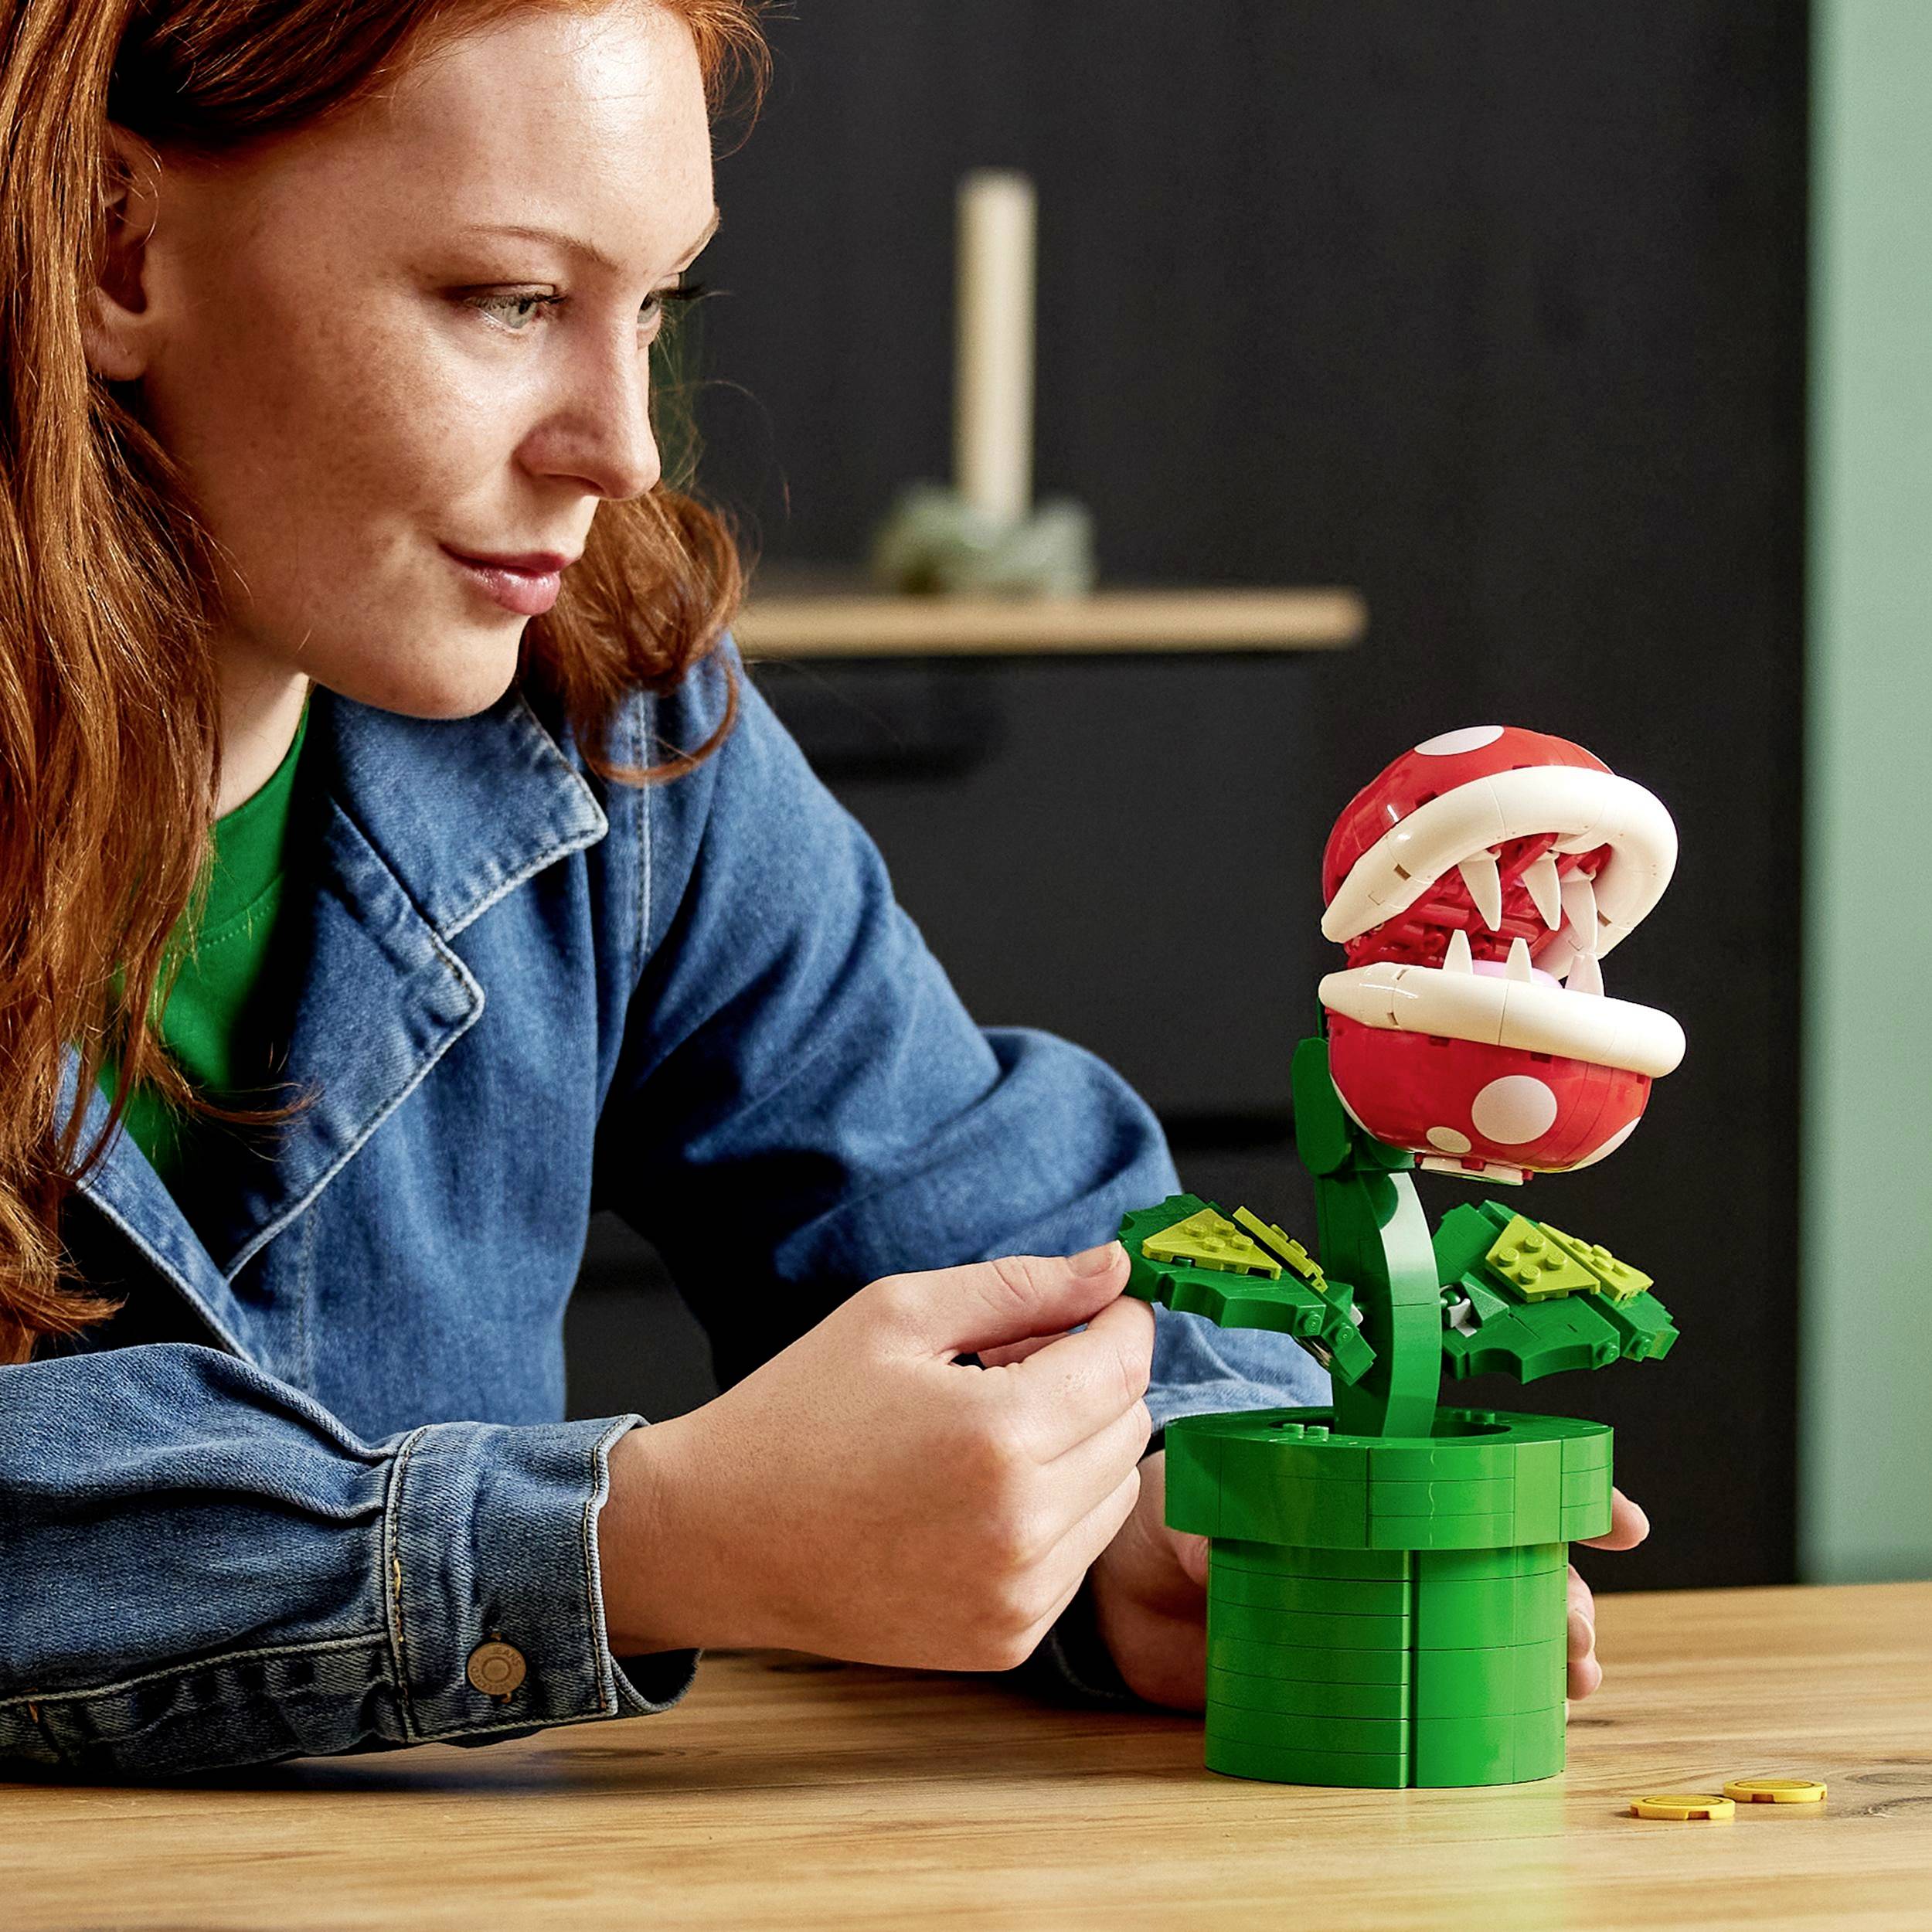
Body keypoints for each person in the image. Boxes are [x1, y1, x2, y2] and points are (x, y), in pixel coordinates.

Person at [0, 0, 1645, 1778]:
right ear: (116, 246)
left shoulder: (612, 718)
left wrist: (1174, 1502)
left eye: (653, 308)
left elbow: (991, 1224)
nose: (619, 446)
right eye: (510, 300)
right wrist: (638, 1537)